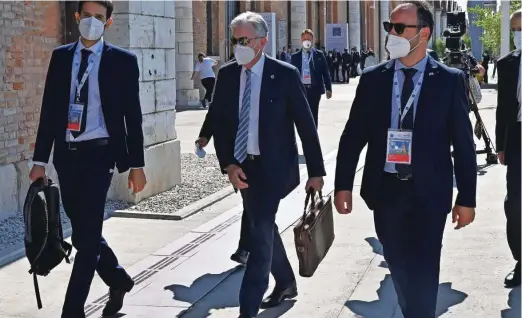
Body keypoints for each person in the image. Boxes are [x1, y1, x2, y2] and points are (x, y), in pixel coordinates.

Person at [334, 2, 477, 317]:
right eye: (389, 27)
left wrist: (467, 198)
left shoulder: (448, 80)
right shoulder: (373, 79)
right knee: (398, 267)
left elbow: (464, 145)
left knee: (425, 272)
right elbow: (353, 136)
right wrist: (342, 184)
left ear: (423, 33)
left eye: (400, 28)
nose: (391, 35)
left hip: (430, 191)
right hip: (385, 190)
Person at [28, 1, 147, 317]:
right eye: (87, 16)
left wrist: (137, 164)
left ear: (108, 22)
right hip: (67, 157)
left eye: (100, 17)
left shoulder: (122, 62)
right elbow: (49, 111)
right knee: (83, 234)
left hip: (100, 155)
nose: (92, 22)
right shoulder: (61, 57)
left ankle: (72, 311)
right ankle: (118, 279)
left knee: (88, 233)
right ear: (77, 17)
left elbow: (132, 117)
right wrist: (40, 160)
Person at [210, 12, 326, 318]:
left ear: (262, 42)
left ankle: (247, 308)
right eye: (235, 40)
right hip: (243, 168)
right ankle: (286, 282)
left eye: (244, 40)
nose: (238, 46)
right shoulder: (227, 75)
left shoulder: (284, 75)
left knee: (259, 230)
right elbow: (221, 125)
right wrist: (228, 165)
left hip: (273, 168)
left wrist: (316, 172)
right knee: (262, 226)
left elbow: (306, 126)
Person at [196, 105, 249, 266]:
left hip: (265, 152)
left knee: (257, 208)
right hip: (238, 154)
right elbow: (216, 108)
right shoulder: (228, 80)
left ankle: (248, 248)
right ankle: (246, 249)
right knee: (252, 204)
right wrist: (205, 134)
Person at [496, 8, 521, 288]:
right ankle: (521, 260)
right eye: (515, 30)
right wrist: (500, 144)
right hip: (517, 139)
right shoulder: (506, 64)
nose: (518, 35)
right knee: (515, 204)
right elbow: (503, 108)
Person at [290, 29, 332, 128]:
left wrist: (328, 88)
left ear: (313, 40)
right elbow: (291, 75)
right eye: (304, 39)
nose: (306, 41)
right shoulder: (295, 57)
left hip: (315, 90)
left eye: (308, 39)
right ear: (301, 40)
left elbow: (325, 72)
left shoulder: (319, 55)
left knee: (313, 114)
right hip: (301, 90)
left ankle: (313, 137)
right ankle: (305, 135)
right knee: (302, 115)